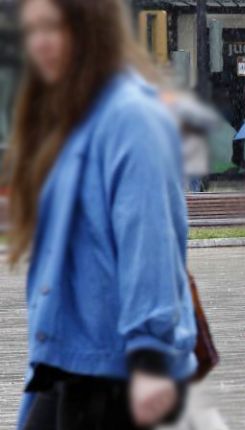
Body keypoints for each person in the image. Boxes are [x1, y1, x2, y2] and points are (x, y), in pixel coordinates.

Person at [6, 0, 197, 428]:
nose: (40, 43)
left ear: (92, 29)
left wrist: (150, 357)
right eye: (32, 29)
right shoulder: (73, 117)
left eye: (53, 27)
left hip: (114, 372)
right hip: (65, 358)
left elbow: (149, 236)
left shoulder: (130, 117)